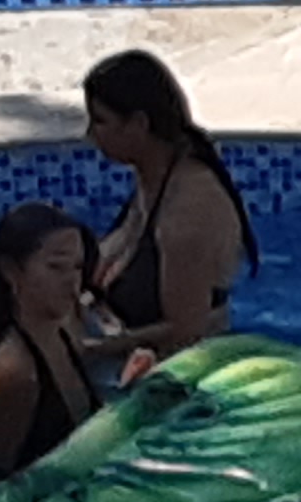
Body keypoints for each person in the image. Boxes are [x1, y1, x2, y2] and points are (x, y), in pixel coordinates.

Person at [80, 49, 257, 365]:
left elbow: (186, 331)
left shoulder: (188, 209)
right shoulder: (153, 175)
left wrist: (89, 351)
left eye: (100, 121)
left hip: (179, 371)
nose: (90, 135)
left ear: (138, 124)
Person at [0, 205, 108, 492]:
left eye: (77, 267)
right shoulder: (16, 373)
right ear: (11, 271)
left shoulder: (63, 333)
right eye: (56, 267)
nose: (72, 282)